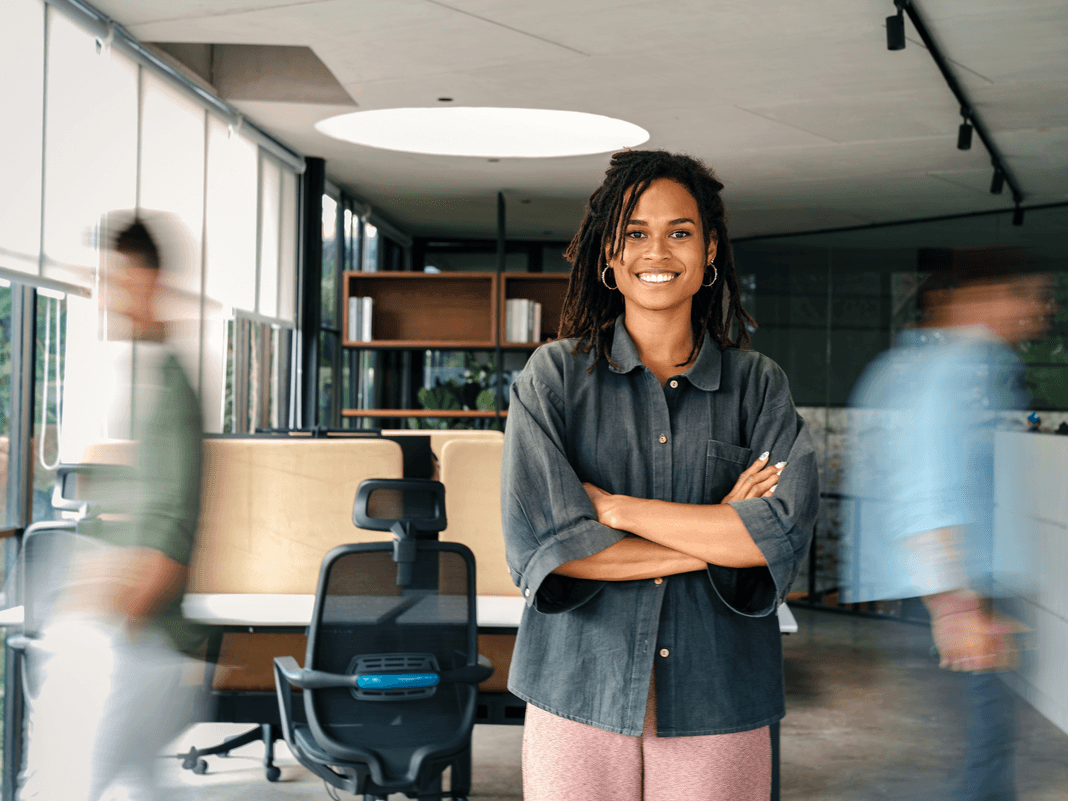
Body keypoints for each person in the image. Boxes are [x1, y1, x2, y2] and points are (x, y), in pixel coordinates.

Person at [501, 150, 819, 801]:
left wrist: (616, 510)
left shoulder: (758, 386)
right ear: (606, 257)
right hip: (575, 691)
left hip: (719, 695)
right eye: (636, 232)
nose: (658, 250)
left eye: (680, 231)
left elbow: (780, 536)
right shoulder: (552, 381)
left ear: (709, 254)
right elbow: (550, 550)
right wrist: (718, 530)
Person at [842, 247, 1056, 801]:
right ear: (975, 297)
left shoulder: (911, 367)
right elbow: (925, 489)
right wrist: (957, 605)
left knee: (974, 757)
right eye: (1025, 293)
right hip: (952, 594)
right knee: (979, 763)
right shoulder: (954, 373)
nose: (1040, 308)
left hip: (938, 592)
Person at [19, 215, 204, 801]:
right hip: (127, 639)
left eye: (112, 277)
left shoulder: (171, 391)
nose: (102, 292)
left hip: (134, 643)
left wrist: (107, 628)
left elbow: (167, 541)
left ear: (146, 279)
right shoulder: (145, 376)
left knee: (64, 789)